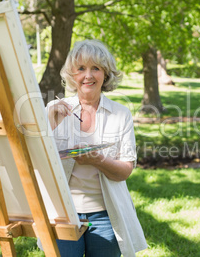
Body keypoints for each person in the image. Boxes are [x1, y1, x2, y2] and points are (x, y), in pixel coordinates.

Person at [46, 39, 147, 256]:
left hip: (106, 215)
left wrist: (98, 160)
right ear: (72, 74)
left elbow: (125, 170)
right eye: (81, 68)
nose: (88, 75)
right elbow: (35, 161)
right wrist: (49, 123)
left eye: (96, 68)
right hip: (63, 213)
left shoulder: (120, 114)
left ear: (106, 74)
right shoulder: (54, 111)